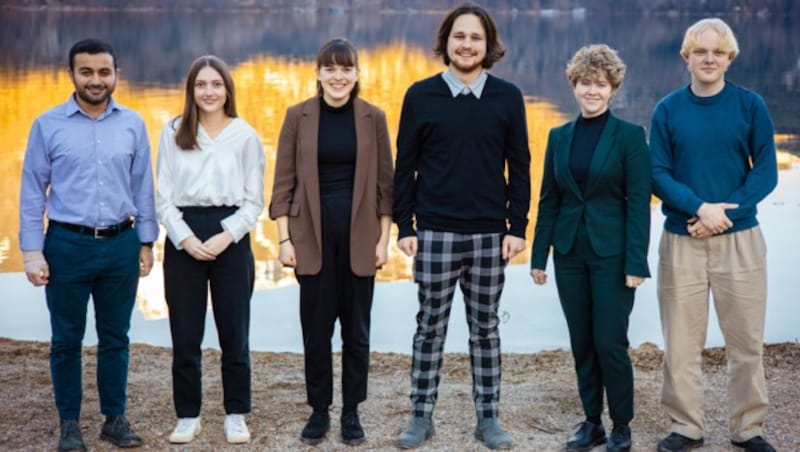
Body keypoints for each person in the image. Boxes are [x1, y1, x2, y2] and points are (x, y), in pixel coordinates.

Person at [392, 3, 530, 449]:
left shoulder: (507, 97)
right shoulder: (420, 95)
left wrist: (517, 226)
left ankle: (488, 418)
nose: (466, 44)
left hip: (491, 234)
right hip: (433, 232)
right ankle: (420, 415)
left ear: (488, 45)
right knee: (429, 326)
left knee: (485, 328)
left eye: (475, 38)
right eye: (459, 36)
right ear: (446, 43)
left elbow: (520, 166)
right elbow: (404, 168)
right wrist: (405, 226)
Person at [19, 38, 157, 451]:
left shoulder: (132, 123)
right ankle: (69, 425)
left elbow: (143, 186)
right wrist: (31, 251)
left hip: (121, 244)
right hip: (66, 246)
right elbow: (31, 191)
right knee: (66, 340)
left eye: (103, 72)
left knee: (116, 336)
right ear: (72, 75)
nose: (96, 80)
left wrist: (147, 241)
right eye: (87, 72)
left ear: (116, 75)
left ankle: (114, 419)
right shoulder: (48, 124)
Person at [649, 18, 778, 452]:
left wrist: (725, 213)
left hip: (740, 241)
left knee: (746, 341)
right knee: (681, 344)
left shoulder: (750, 105)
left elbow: (765, 171)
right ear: (686, 57)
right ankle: (686, 427)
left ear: (730, 58)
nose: (709, 59)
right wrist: (699, 208)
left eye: (718, 52)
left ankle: (748, 428)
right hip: (681, 238)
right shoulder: (667, 109)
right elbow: (658, 173)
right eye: (700, 52)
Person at [269, 38, 393, 446]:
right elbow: (283, 183)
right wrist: (284, 240)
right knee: (316, 331)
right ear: (318, 73)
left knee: (357, 332)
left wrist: (384, 240)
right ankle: (319, 410)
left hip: (360, 239)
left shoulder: (372, 117)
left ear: (357, 74)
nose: (338, 76)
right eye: (330, 68)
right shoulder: (297, 116)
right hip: (311, 240)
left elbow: (384, 187)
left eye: (346, 69)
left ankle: (352, 411)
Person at [530, 44, 650, 452]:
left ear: (613, 88)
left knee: (610, 342)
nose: (592, 91)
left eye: (600, 84)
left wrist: (637, 262)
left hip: (613, 256)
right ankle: (591, 422)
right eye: (585, 83)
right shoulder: (559, 136)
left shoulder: (631, 137)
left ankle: (621, 425)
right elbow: (549, 199)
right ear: (574, 86)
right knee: (581, 340)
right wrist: (538, 255)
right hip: (569, 255)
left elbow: (638, 205)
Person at [156, 55, 264, 445]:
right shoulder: (172, 132)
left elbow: (254, 202)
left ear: (227, 90)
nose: (208, 91)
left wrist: (226, 235)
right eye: (201, 84)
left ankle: (236, 413)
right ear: (191, 90)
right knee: (185, 333)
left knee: (234, 332)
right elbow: (163, 199)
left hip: (230, 238)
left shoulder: (245, 135)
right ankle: (188, 414)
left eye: (216, 84)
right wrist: (185, 239)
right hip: (184, 237)